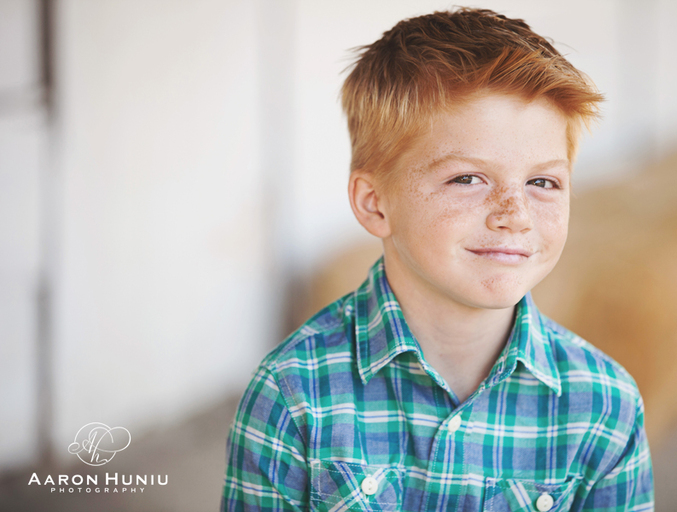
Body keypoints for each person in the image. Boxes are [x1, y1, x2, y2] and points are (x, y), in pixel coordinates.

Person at [221, 7, 653, 512]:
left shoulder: (605, 406)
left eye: (543, 182)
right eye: (467, 178)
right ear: (374, 203)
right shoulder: (292, 393)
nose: (514, 215)